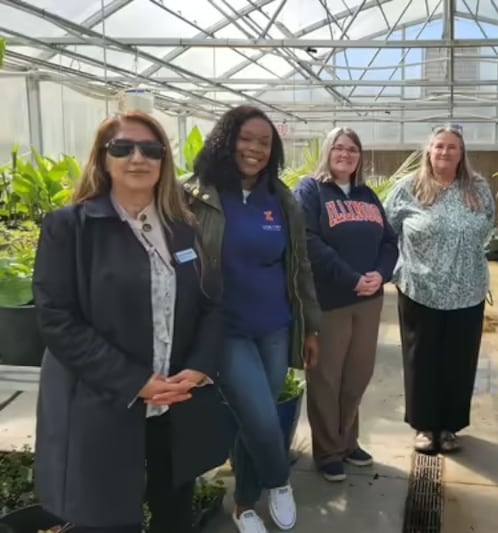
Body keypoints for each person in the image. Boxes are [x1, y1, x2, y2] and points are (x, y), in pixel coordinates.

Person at [32, 111, 227, 532]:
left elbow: (212, 304)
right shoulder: (70, 228)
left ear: (163, 161)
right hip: (102, 404)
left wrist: (198, 368)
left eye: (150, 149)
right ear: (103, 160)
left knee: (174, 510)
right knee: (102, 516)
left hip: (174, 402)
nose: (137, 157)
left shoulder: (182, 229)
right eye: (122, 148)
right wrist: (134, 380)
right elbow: (56, 319)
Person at [183, 105, 321, 533]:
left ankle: (244, 504)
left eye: (264, 143)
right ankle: (279, 482)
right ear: (227, 140)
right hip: (225, 329)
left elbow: (299, 267)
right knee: (261, 416)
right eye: (247, 139)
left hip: (275, 327)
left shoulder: (280, 199)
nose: (255, 149)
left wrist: (310, 325)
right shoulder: (196, 195)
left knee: (252, 418)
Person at [293, 127, 399, 482]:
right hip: (330, 302)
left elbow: (389, 240)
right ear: (328, 151)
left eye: (352, 148)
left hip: (368, 301)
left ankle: (347, 441)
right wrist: (350, 276)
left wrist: (380, 274)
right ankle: (327, 450)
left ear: (360, 156)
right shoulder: (311, 191)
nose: (345, 153)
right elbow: (307, 240)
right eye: (338, 147)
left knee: (357, 375)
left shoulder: (367, 194)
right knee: (326, 377)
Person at [385, 126, 494, 454]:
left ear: (462, 154)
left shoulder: (477, 188)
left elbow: (489, 222)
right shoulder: (409, 188)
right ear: (428, 151)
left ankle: (449, 427)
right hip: (421, 289)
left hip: (467, 289)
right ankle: (423, 425)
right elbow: (387, 229)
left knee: (459, 361)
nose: (445, 152)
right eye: (439, 146)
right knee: (422, 359)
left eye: (452, 147)